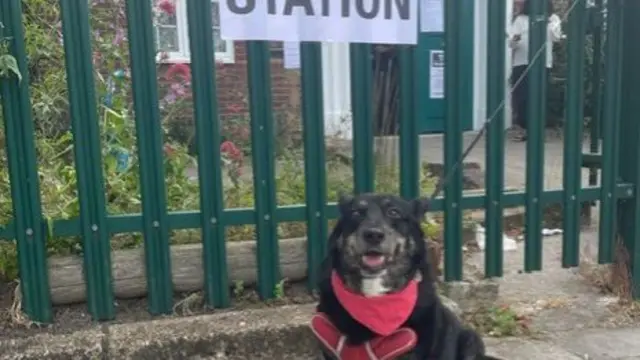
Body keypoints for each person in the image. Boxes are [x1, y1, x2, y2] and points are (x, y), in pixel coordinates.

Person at [508, 0, 565, 141]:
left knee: (539, 96)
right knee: (522, 97)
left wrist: (548, 23)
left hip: (543, 62)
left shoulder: (553, 18)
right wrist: (515, 39)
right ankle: (524, 129)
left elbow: (556, 37)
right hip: (522, 62)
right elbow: (511, 43)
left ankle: (538, 130)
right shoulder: (521, 19)